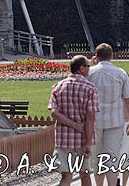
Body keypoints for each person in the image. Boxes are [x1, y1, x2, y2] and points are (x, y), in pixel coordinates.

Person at [48, 55, 99, 186]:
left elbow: (54, 113)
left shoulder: (58, 87)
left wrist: (74, 125)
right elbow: (90, 117)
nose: (89, 69)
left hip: (63, 138)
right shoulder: (90, 88)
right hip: (83, 138)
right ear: (81, 68)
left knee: (66, 176)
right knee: (85, 175)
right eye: (87, 66)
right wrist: (87, 141)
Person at [88, 43, 129, 186]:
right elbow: (128, 100)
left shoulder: (90, 73)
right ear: (112, 56)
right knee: (112, 157)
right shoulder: (121, 73)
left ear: (97, 55)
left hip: (95, 121)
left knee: (97, 157)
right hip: (115, 121)